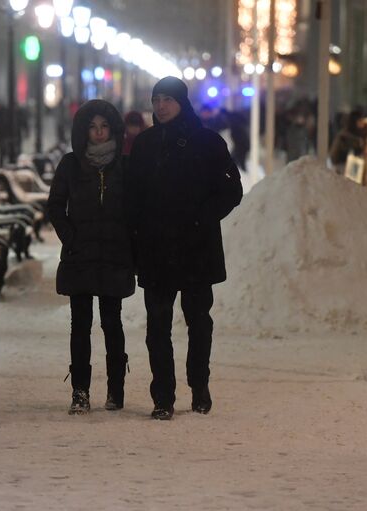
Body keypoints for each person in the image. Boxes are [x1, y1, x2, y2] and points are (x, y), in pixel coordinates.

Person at [127, 76, 242, 420]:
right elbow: (132, 198)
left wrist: (202, 218)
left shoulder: (207, 142)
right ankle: (163, 395)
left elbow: (231, 190)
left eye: (168, 99)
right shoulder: (145, 144)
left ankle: (199, 385)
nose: (160, 106)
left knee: (199, 322)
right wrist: (136, 237)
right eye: (156, 99)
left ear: (182, 102)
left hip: (195, 247)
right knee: (157, 325)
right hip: (156, 248)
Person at [47, 99, 136, 415]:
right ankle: (80, 391)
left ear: (113, 129)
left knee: (112, 323)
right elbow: (55, 205)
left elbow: (135, 209)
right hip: (80, 256)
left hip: (114, 254)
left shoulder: (124, 166)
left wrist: (128, 242)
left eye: (104, 127)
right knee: (80, 325)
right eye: (93, 127)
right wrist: (71, 238)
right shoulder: (71, 165)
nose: (99, 133)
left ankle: (116, 391)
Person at [329, 110, 364, 175]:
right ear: (355, 122)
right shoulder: (345, 137)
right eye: (360, 121)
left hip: (353, 170)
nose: (362, 124)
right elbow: (335, 155)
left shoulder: (358, 135)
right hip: (344, 169)